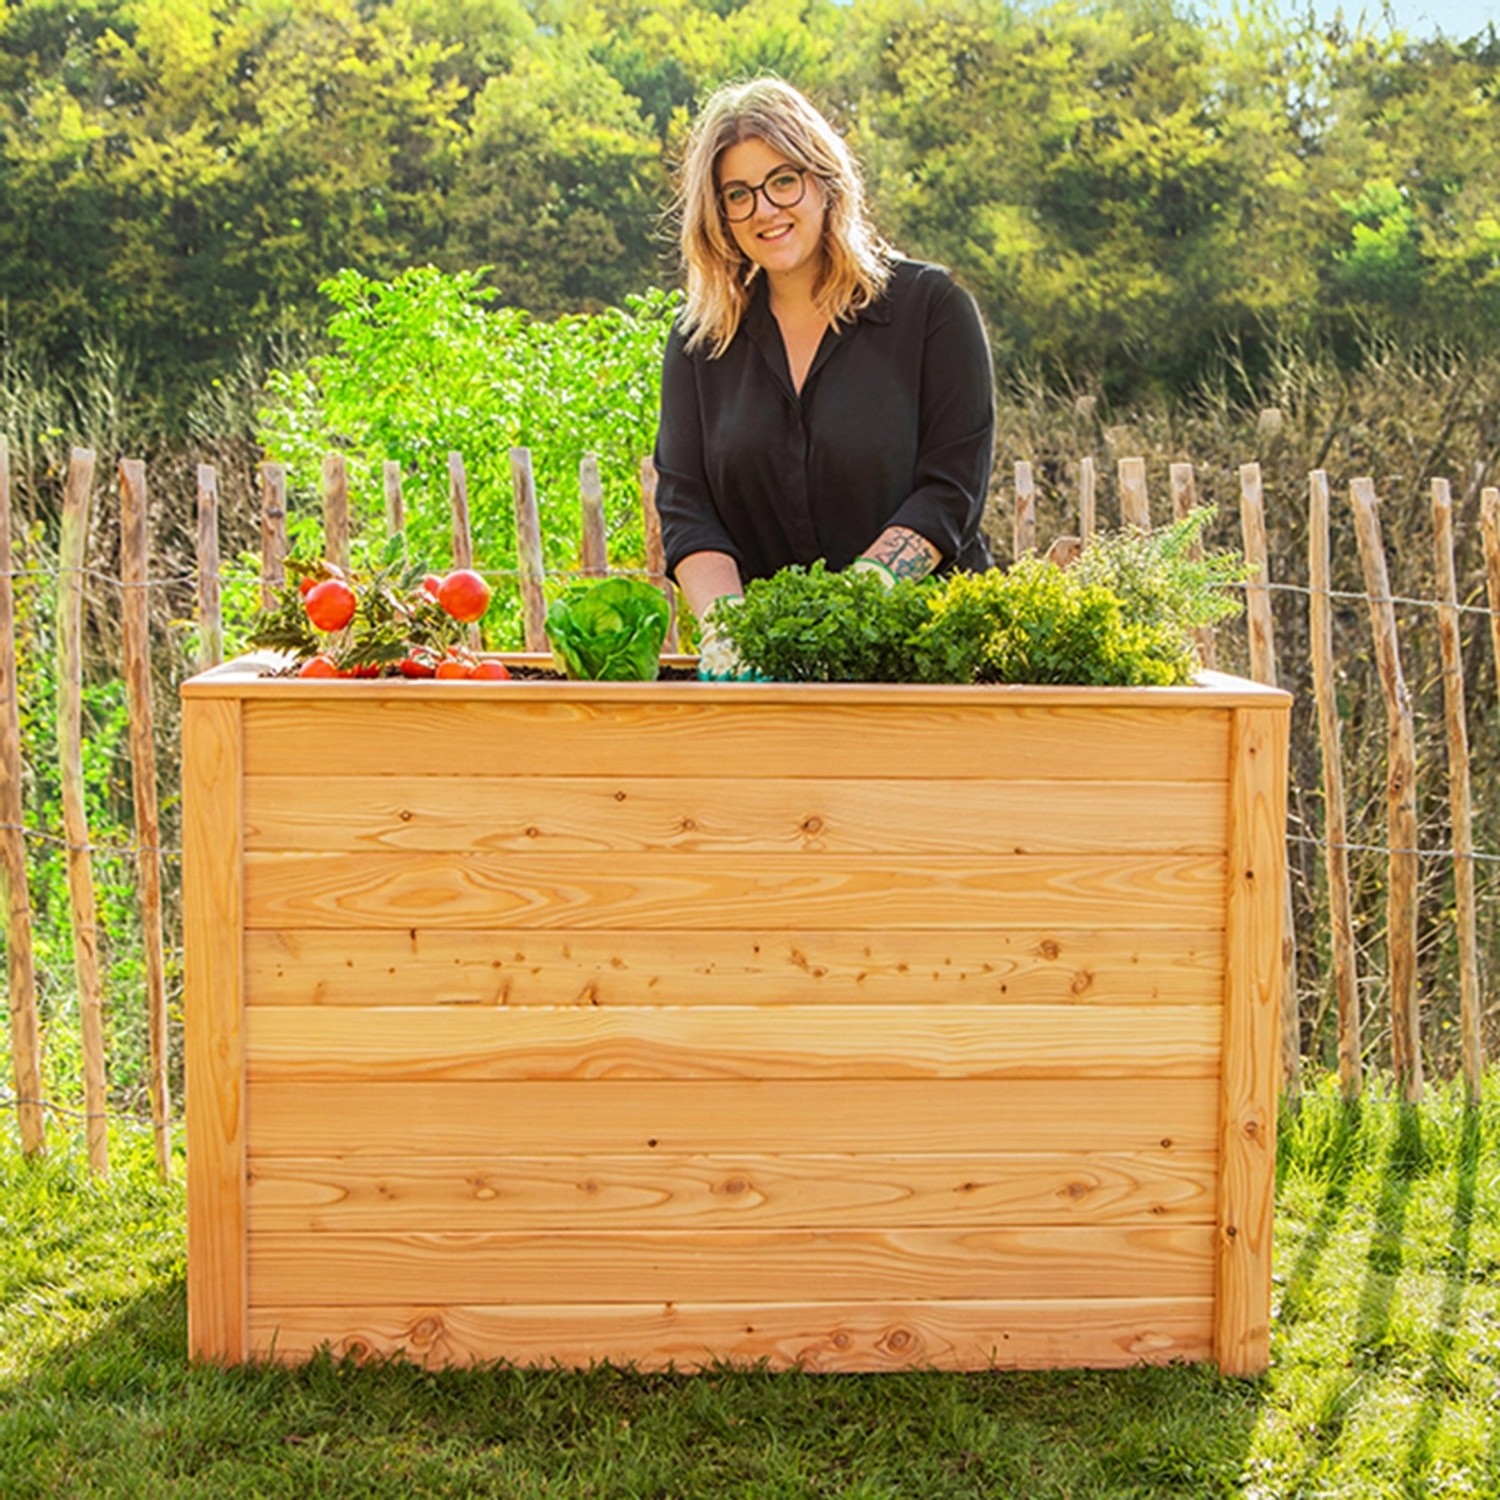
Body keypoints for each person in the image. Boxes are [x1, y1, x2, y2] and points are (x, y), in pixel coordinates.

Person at [652, 76, 996, 674]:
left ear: (825, 182)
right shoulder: (698, 342)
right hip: (771, 674)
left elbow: (950, 491)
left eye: (783, 181)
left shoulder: (930, 310)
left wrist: (851, 607)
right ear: (720, 216)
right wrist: (728, 632)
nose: (764, 209)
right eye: (738, 194)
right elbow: (687, 507)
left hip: (933, 665)